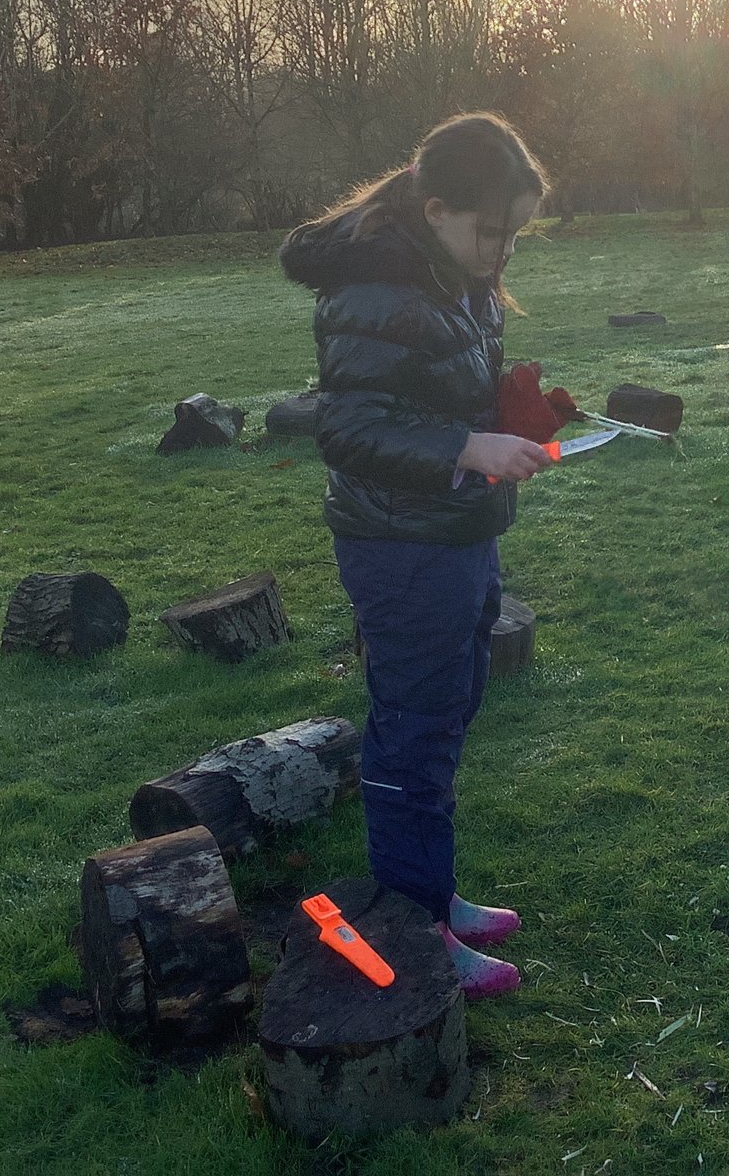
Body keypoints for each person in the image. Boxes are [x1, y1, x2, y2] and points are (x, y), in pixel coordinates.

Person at [279, 112, 553, 1001]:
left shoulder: (454, 269)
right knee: (414, 730)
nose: (503, 251)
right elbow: (349, 427)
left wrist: (507, 409)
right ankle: (414, 922)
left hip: (456, 532)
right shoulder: (373, 286)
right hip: (400, 545)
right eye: (493, 231)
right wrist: (465, 447)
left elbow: (431, 387)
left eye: (515, 234)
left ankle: (432, 894)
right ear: (436, 209)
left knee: (451, 706)